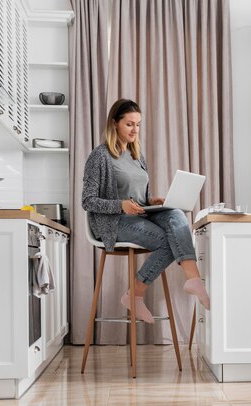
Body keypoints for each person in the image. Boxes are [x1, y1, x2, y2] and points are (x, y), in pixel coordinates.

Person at [82, 98, 210, 324]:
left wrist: (152, 200)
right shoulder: (100, 156)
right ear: (115, 123)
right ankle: (136, 294)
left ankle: (192, 279)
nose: (135, 130)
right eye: (129, 124)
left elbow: (138, 196)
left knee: (176, 214)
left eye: (138, 124)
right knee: (170, 240)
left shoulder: (136, 156)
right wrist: (120, 205)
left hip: (139, 215)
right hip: (113, 222)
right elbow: (88, 200)